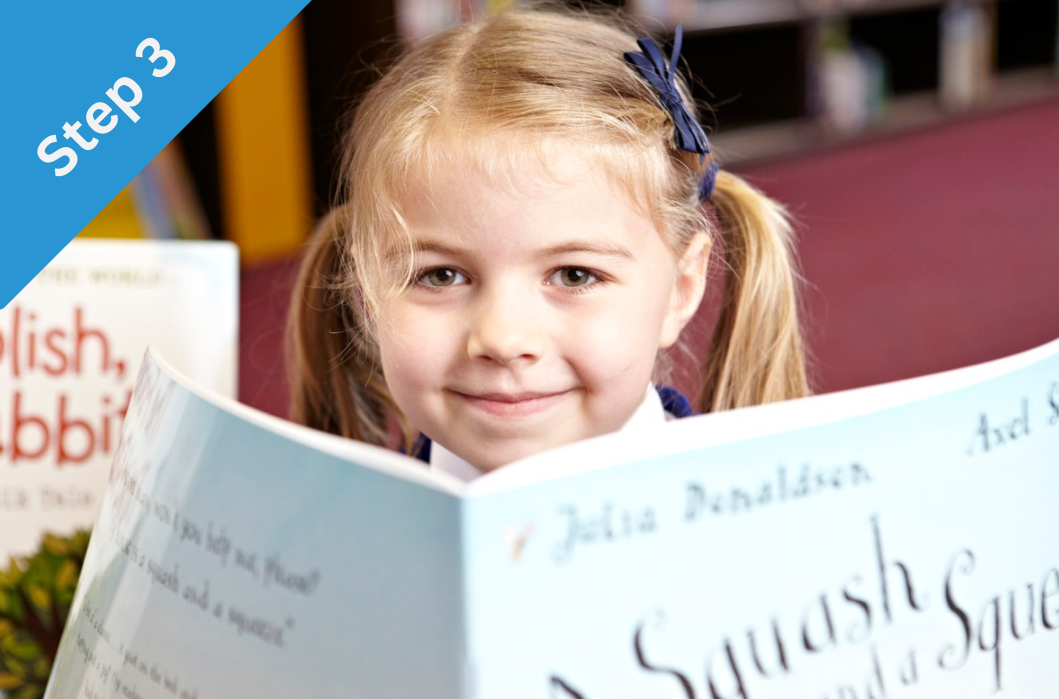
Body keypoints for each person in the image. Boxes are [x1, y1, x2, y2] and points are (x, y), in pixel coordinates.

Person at [288, 4, 809, 480]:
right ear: (365, 295)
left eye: (574, 275)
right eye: (440, 275)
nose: (504, 339)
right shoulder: (336, 535)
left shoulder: (756, 543)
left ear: (681, 287)